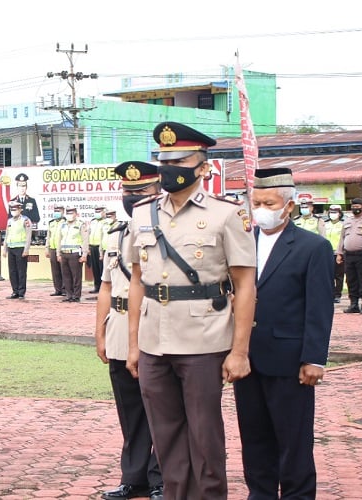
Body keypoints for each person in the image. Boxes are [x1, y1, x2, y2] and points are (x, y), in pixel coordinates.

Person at [126, 121, 256, 500]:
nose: (168, 168)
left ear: (202, 167)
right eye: (162, 160)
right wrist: (134, 344)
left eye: (179, 160)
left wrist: (240, 350)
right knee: (165, 434)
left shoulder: (226, 214)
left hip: (204, 338)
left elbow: (245, 285)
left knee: (204, 435)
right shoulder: (143, 213)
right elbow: (138, 281)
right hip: (154, 339)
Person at [234, 167, 334, 499]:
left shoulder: (312, 247)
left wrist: (314, 359)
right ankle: (259, 494)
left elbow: (320, 308)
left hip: (290, 362)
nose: (261, 209)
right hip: (247, 359)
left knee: (293, 441)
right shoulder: (242, 242)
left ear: (288, 206)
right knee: (254, 437)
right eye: (256, 202)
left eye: (268, 202)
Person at [96, 161, 163, 500]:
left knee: (161, 410)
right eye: (127, 192)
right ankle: (133, 476)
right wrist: (100, 332)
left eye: (141, 192)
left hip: (154, 328)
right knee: (130, 410)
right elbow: (106, 287)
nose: (133, 197)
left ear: (158, 192)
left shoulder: (166, 231)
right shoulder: (116, 233)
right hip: (120, 328)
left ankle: (160, 478)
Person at [56, 207, 89, 303]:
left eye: (71, 213)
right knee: (66, 276)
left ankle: (76, 295)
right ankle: (68, 295)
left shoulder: (80, 224)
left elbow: (85, 240)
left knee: (76, 276)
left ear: (76, 214)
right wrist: (58, 253)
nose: (70, 215)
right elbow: (59, 240)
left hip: (75, 253)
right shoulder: (63, 225)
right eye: (68, 213)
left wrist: (84, 254)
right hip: (64, 252)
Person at [3, 200, 32, 299]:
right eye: (12, 209)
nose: (13, 211)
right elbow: (7, 235)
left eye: (15, 209)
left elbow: (28, 236)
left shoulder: (25, 220)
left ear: (20, 209)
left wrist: (26, 249)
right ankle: (14, 291)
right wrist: (4, 249)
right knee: (12, 271)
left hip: (21, 248)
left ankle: (21, 291)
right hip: (11, 248)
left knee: (21, 271)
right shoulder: (10, 221)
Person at [88, 206, 112, 294]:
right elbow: (89, 234)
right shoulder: (93, 222)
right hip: (93, 246)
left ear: (104, 212)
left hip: (101, 247)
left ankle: (103, 287)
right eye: (96, 211)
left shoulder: (106, 222)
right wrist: (88, 247)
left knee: (102, 267)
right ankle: (96, 286)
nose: (97, 213)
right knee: (95, 268)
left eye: (99, 211)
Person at [325, 204, 346, 303]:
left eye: (335, 212)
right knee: (328, 275)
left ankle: (337, 295)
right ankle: (330, 293)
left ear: (340, 214)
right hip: (327, 253)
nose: (333, 214)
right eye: (331, 212)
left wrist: (341, 252)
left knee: (339, 275)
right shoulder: (325, 224)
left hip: (338, 253)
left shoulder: (343, 225)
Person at [45, 205, 66, 296]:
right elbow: (48, 236)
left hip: (61, 249)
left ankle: (65, 289)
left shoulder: (65, 222)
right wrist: (47, 248)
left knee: (64, 269)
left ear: (63, 212)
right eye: (55, 211)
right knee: (55, 270)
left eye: (59, 211)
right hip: (52, 248)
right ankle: (58, 289)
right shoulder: (51, 223)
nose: (56, 212)